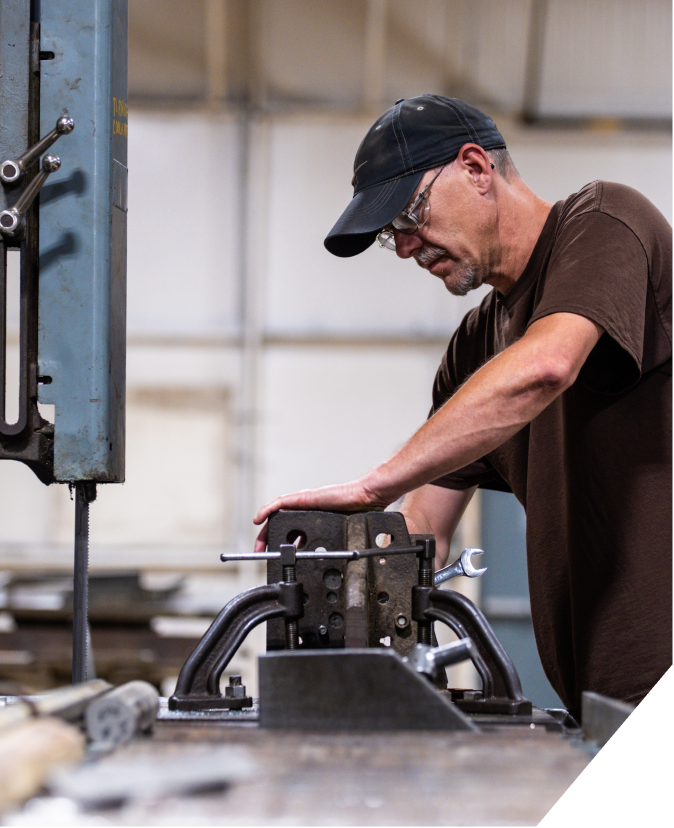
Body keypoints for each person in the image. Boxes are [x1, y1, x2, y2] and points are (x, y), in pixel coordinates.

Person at [253, 95, 673, 716]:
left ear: (477, 169)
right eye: (391, 234)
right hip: (593, 699)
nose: (404, 247)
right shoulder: (475, 346)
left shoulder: (605, 219)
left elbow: (547, 366)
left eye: (409, 214)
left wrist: (372, 488)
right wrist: (338, 588)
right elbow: (423, 531)